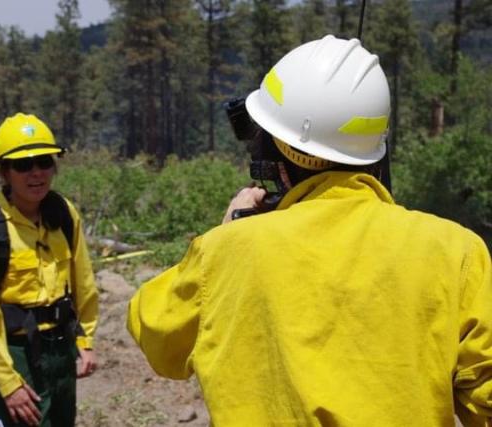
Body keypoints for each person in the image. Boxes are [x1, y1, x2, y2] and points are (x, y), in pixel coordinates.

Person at [126, 35, 492, 426]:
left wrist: (226, 232)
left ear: (278, 153)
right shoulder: (458, 252)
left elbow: (156, 336)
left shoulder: (225, 251)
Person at [0, 113, 99, 427]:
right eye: (23, 165)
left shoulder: (64, 213)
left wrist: (84, 342)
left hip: (61, 350)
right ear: (5, 172)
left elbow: (84, 283)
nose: (36, 173)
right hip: (15, 355)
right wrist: (8, 384)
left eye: (44, 162)